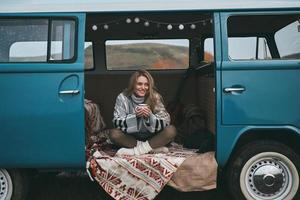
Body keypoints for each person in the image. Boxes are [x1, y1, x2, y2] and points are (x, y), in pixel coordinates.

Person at [109, 69, 176, 155]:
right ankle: (151, 148)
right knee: (113, 134)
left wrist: (150, 116)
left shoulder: (154, 96)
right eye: (139, 84)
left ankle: (136, 151)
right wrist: (135, 116)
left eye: (146, 85)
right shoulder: (123, 97)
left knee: (171, 130)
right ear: (133, 84)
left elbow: (166, 120)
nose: (143, 88)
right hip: (132, 137)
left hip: (152, 136)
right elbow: (117, 122)